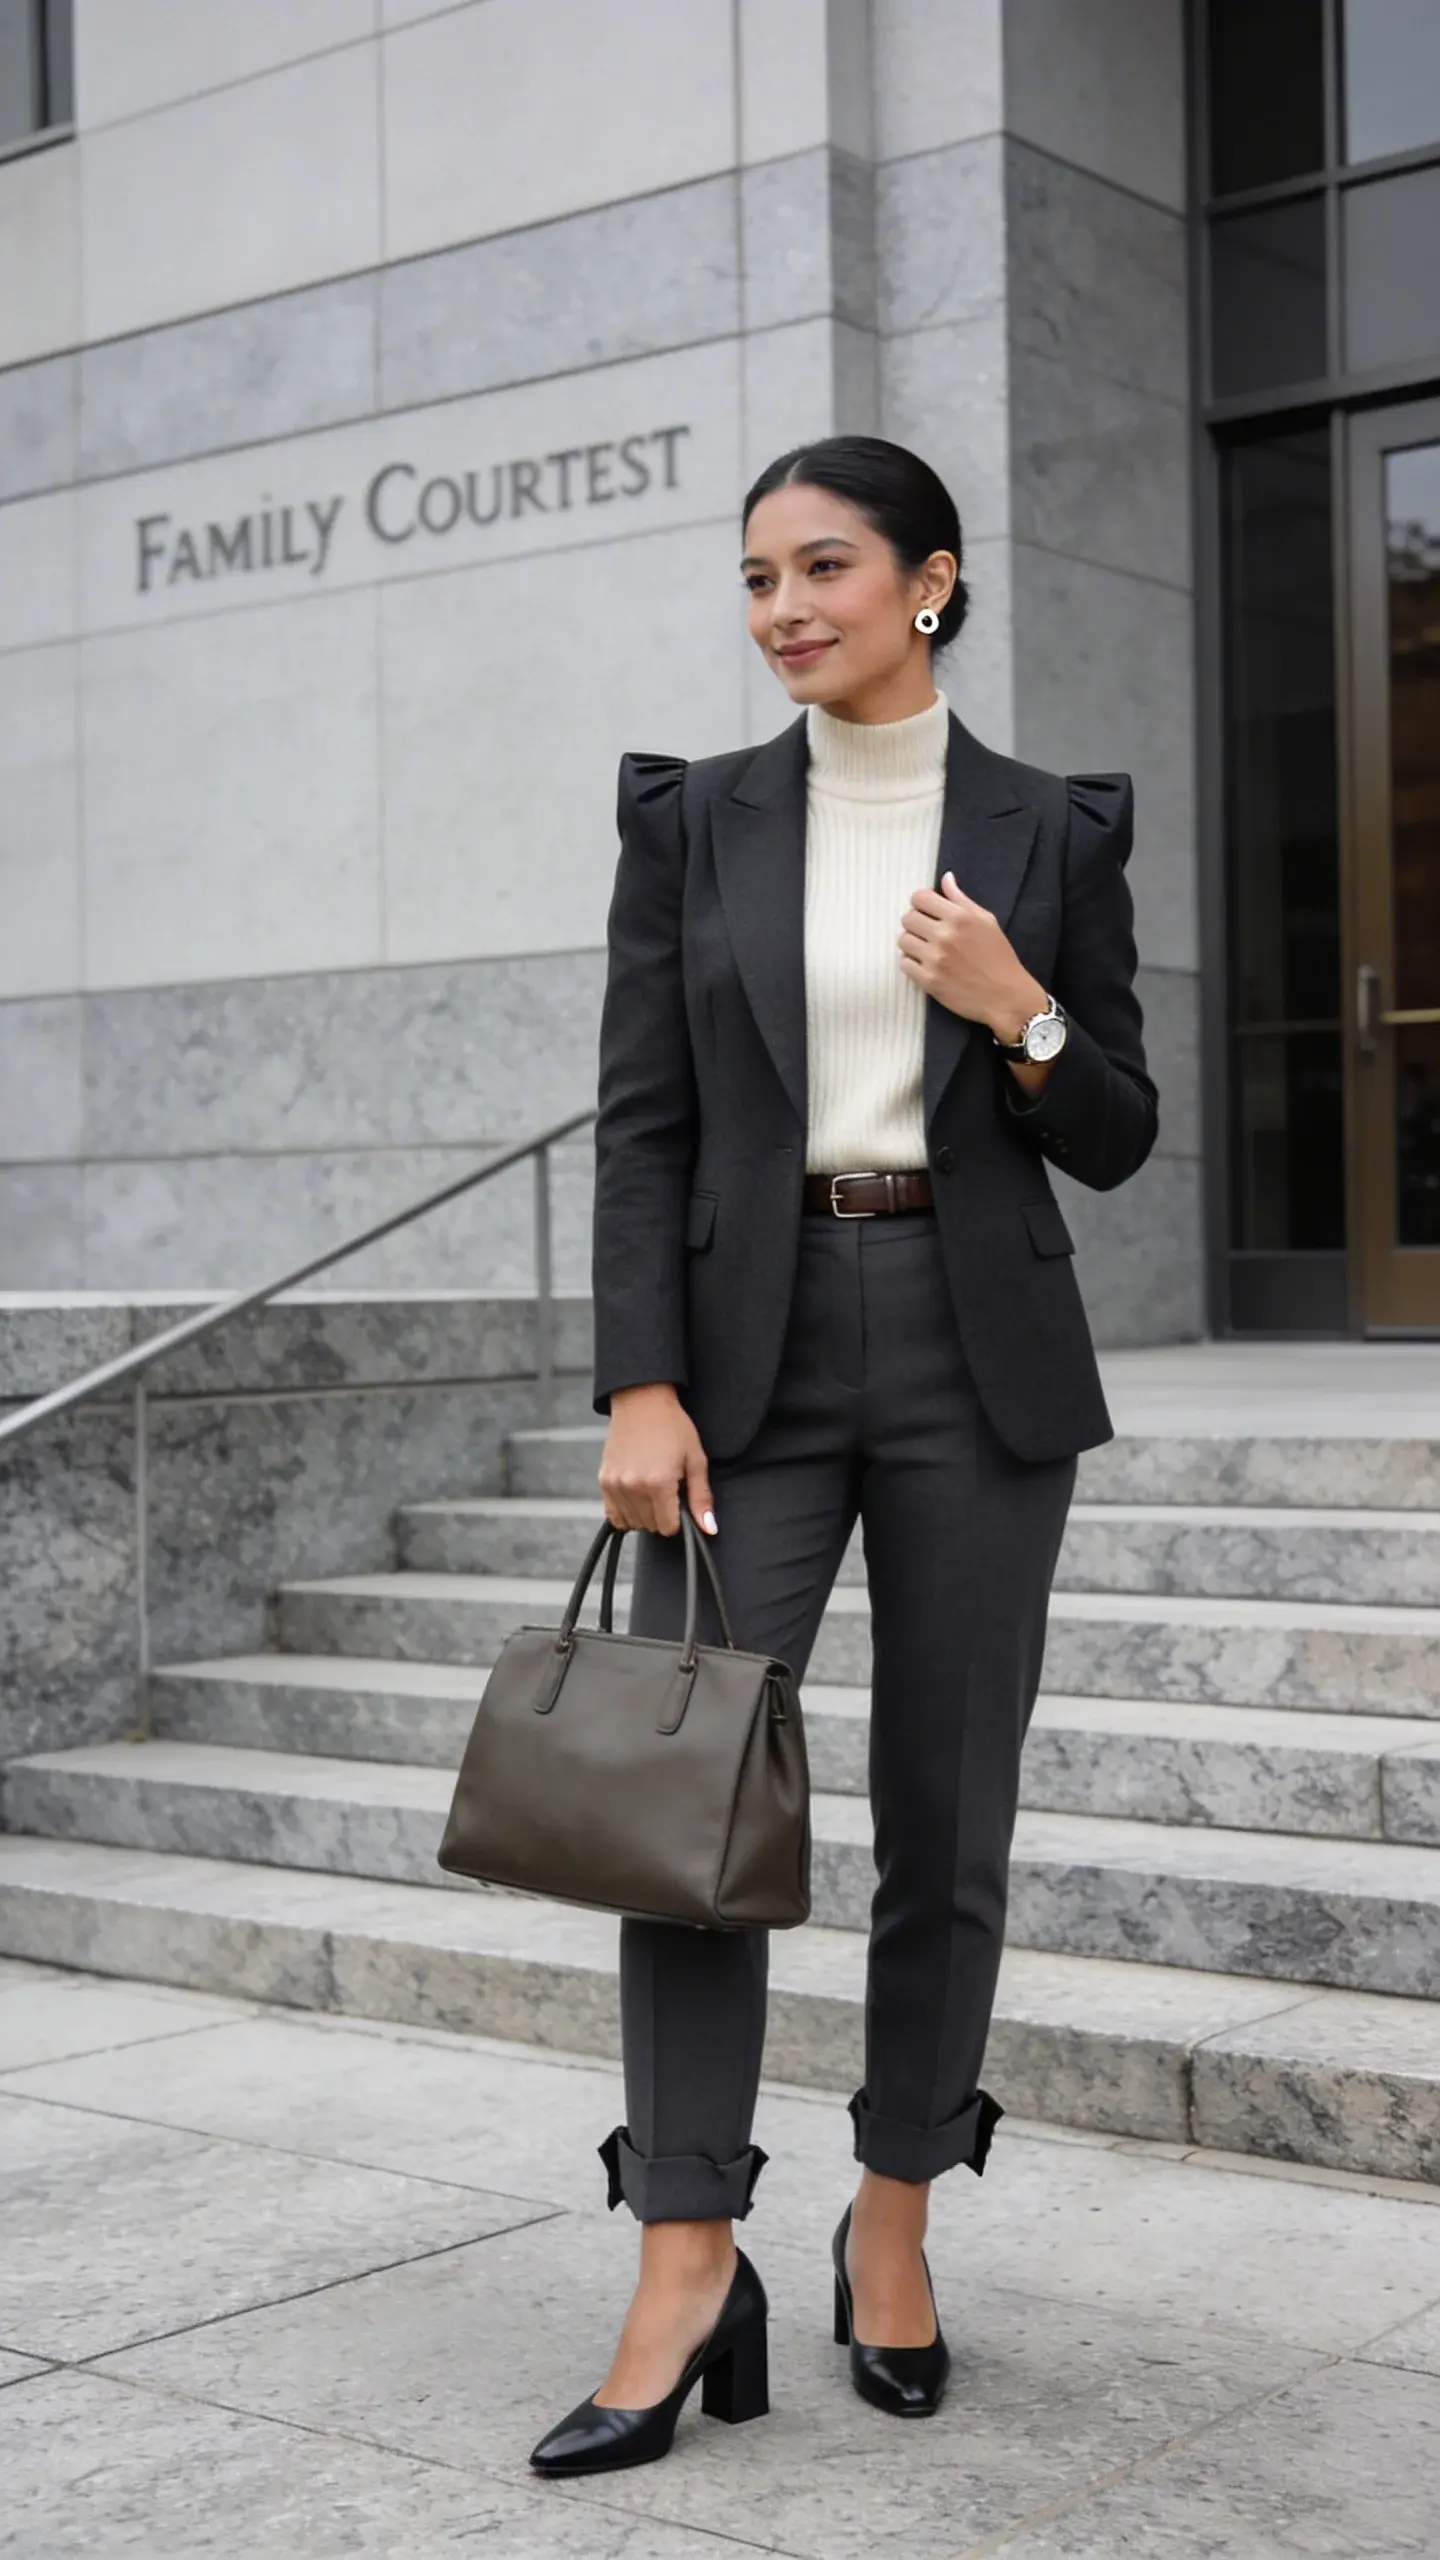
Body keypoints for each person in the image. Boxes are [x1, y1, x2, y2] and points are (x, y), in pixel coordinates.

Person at [530, 435, 1157, 2476]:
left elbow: (1119, 1124)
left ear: (933, 582)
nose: (783, 606)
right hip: (746, 1356)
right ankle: (685, 2242)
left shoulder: (1050, 827)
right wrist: (639, 1379)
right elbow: (639, 1118)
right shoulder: (695, 821)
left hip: (977, 1354)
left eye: (823, 567)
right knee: (676, 1801)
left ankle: (893, 2212)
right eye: (756, 577)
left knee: (945, 1812)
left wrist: (1020, 1007)